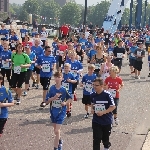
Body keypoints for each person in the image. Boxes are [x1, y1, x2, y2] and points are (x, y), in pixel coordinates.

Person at [45, 71, 72, 150]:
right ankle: (60, 140)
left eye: (59, 77)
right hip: (53, 111)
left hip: (61, 112)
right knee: (55, 130)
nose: (57, 79)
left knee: (57, 130)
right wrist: (53, 98)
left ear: (62, 78)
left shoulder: (64, 89)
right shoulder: (51, 89)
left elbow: (70, 98)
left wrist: (65, 103)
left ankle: (56, 147)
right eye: (56, 77)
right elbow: (46, 101)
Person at [91, 78, 116, 150]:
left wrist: (103, 112)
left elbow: (113, 106)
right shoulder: (92, 95)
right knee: (96, 139)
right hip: (96, 120)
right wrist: (92, 109)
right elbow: (93, 104)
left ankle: (106, 146)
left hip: (106, 121)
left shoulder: (107, 95)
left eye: (97, 85)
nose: (95, 87)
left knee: (105, 138)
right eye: (94, 85)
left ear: (102, 86)